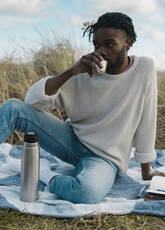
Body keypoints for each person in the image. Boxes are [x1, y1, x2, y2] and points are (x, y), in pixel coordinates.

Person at [0, 12, 165, 204]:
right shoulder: (85, 70)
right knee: (13, 108)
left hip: (104, 158)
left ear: (127, 43)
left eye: (109, 44)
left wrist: (147, 172)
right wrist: (71, 72)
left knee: (86, 192)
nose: (101, 51)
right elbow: (32, 102)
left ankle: (43, 173)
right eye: (97, 45)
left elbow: (147, 120)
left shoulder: (144, 68)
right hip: (69, 141)